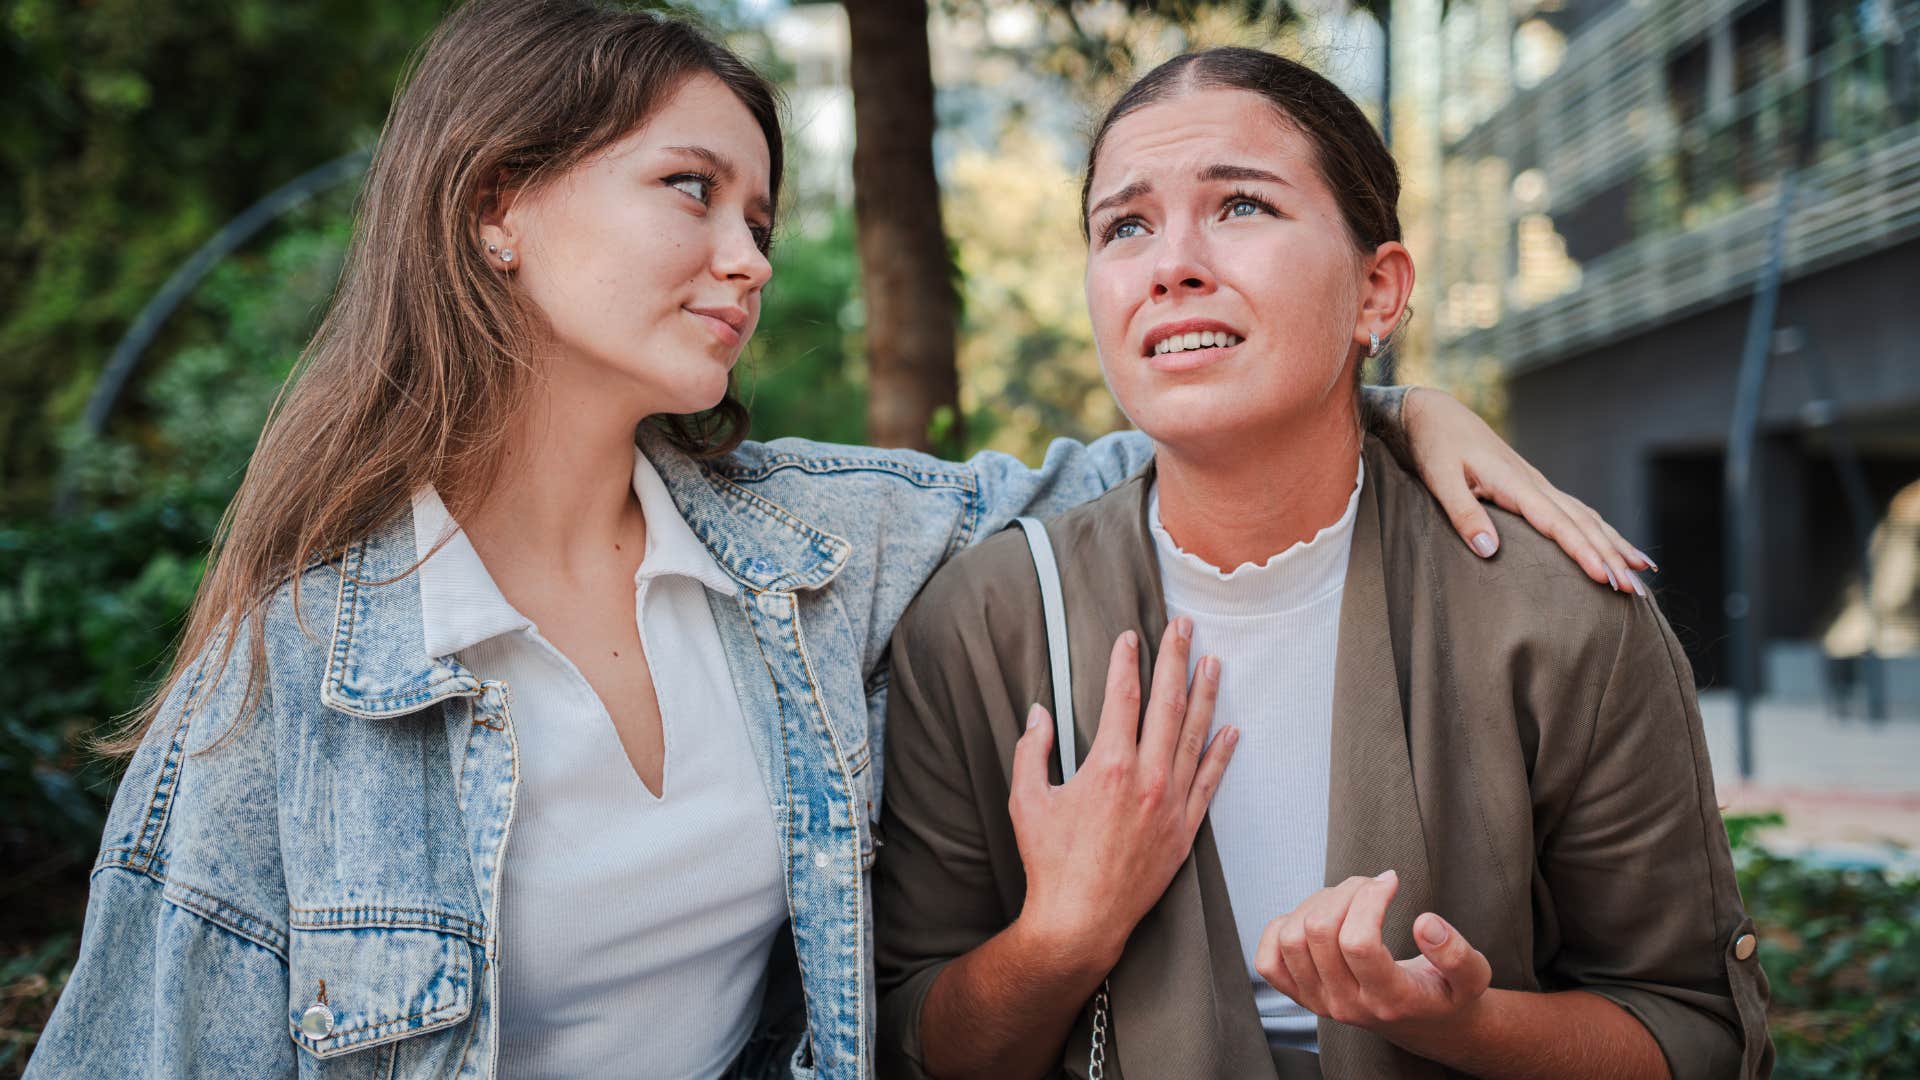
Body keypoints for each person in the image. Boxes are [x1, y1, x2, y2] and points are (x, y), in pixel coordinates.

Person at [29, 4, 1651, 1078]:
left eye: (759, 213)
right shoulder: (282, 690)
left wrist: (1404, 401)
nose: (742, 257)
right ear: (493, 208)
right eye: (689, 190)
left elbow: (1178, 445)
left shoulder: (807, 547)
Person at [874, 47, 1771, 1080]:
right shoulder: (983, 624)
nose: (1171, 263)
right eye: (1125, 225)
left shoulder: (1562, 618)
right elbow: (918, 1042)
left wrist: (1457, 1026)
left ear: (1377, 293)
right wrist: (1062, 937)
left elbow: (1695, 1031)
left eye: (1241, 206)